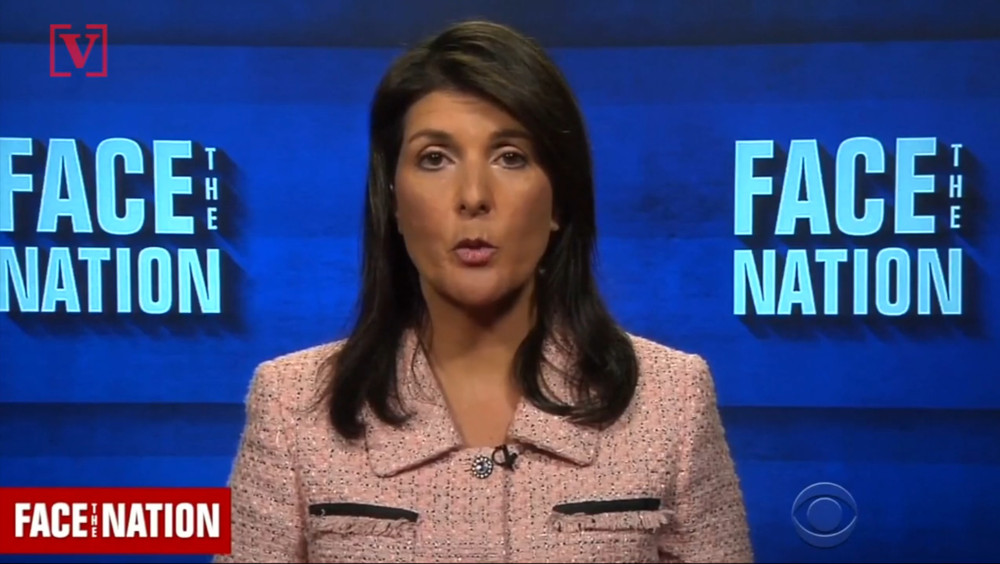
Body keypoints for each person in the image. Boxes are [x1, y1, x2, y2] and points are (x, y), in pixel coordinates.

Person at [215, 18, 754, 564]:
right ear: (394, 202)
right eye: (435, 158)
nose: (473, 196)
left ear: (559, 201)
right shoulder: (293, 405)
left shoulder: (670, 399)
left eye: (510, 157)